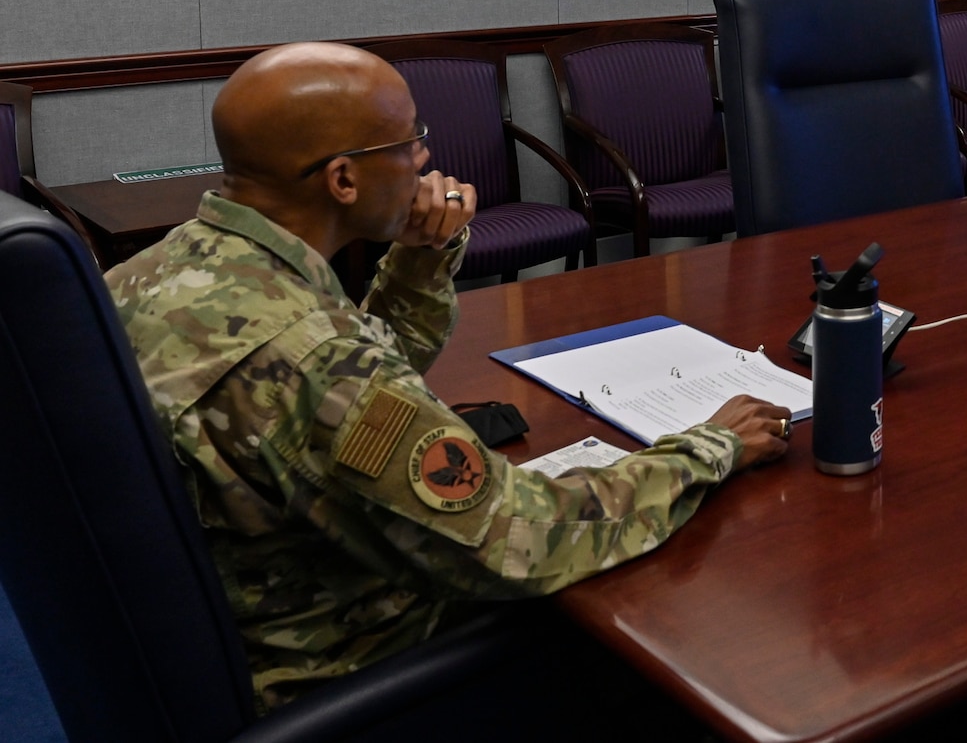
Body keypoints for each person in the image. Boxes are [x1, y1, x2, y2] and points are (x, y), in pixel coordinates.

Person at [104, 42, 792, 713]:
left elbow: (354, 387)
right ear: (343, 179)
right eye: (408, 142)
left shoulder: (159, 269)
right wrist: (707, 447)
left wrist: (422, 256)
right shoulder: (314, 356)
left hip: (216, 619)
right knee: (679, 611)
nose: (426, 159)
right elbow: (519, 538)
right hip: (337, 661)